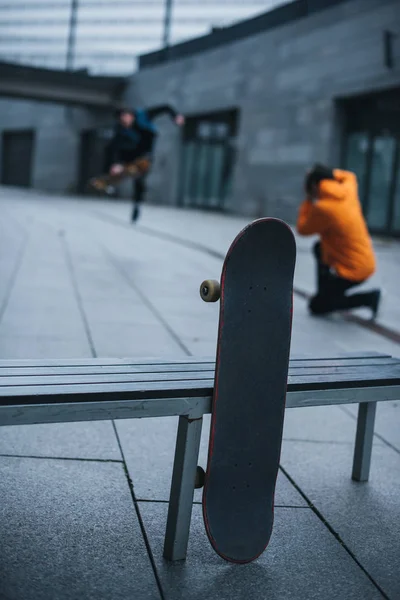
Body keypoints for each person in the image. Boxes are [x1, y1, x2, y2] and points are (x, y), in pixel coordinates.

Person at [296, 163, 381, 317]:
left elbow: (302, 229)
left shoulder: (324, 208)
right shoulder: (348, 190)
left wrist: (308, 200)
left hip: (353, 270)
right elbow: (349, 175)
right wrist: (322, 173)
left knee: (317, 306)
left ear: (314, 186)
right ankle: (325, 293)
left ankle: (369, 298)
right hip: (364, 261)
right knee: (319, 247)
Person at [106, 104, 185, 222]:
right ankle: (112, 179)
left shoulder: (144, 115)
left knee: (139, 179)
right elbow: (114, 147)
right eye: (123, 120)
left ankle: (137, 205)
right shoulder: (119, 128)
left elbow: (165, 107)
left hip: (145, 152)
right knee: (113, 147)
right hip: (130, 151)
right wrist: (116, 163)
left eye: (127, 118)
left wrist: (175, 116)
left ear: (131, 115)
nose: (126, 122)